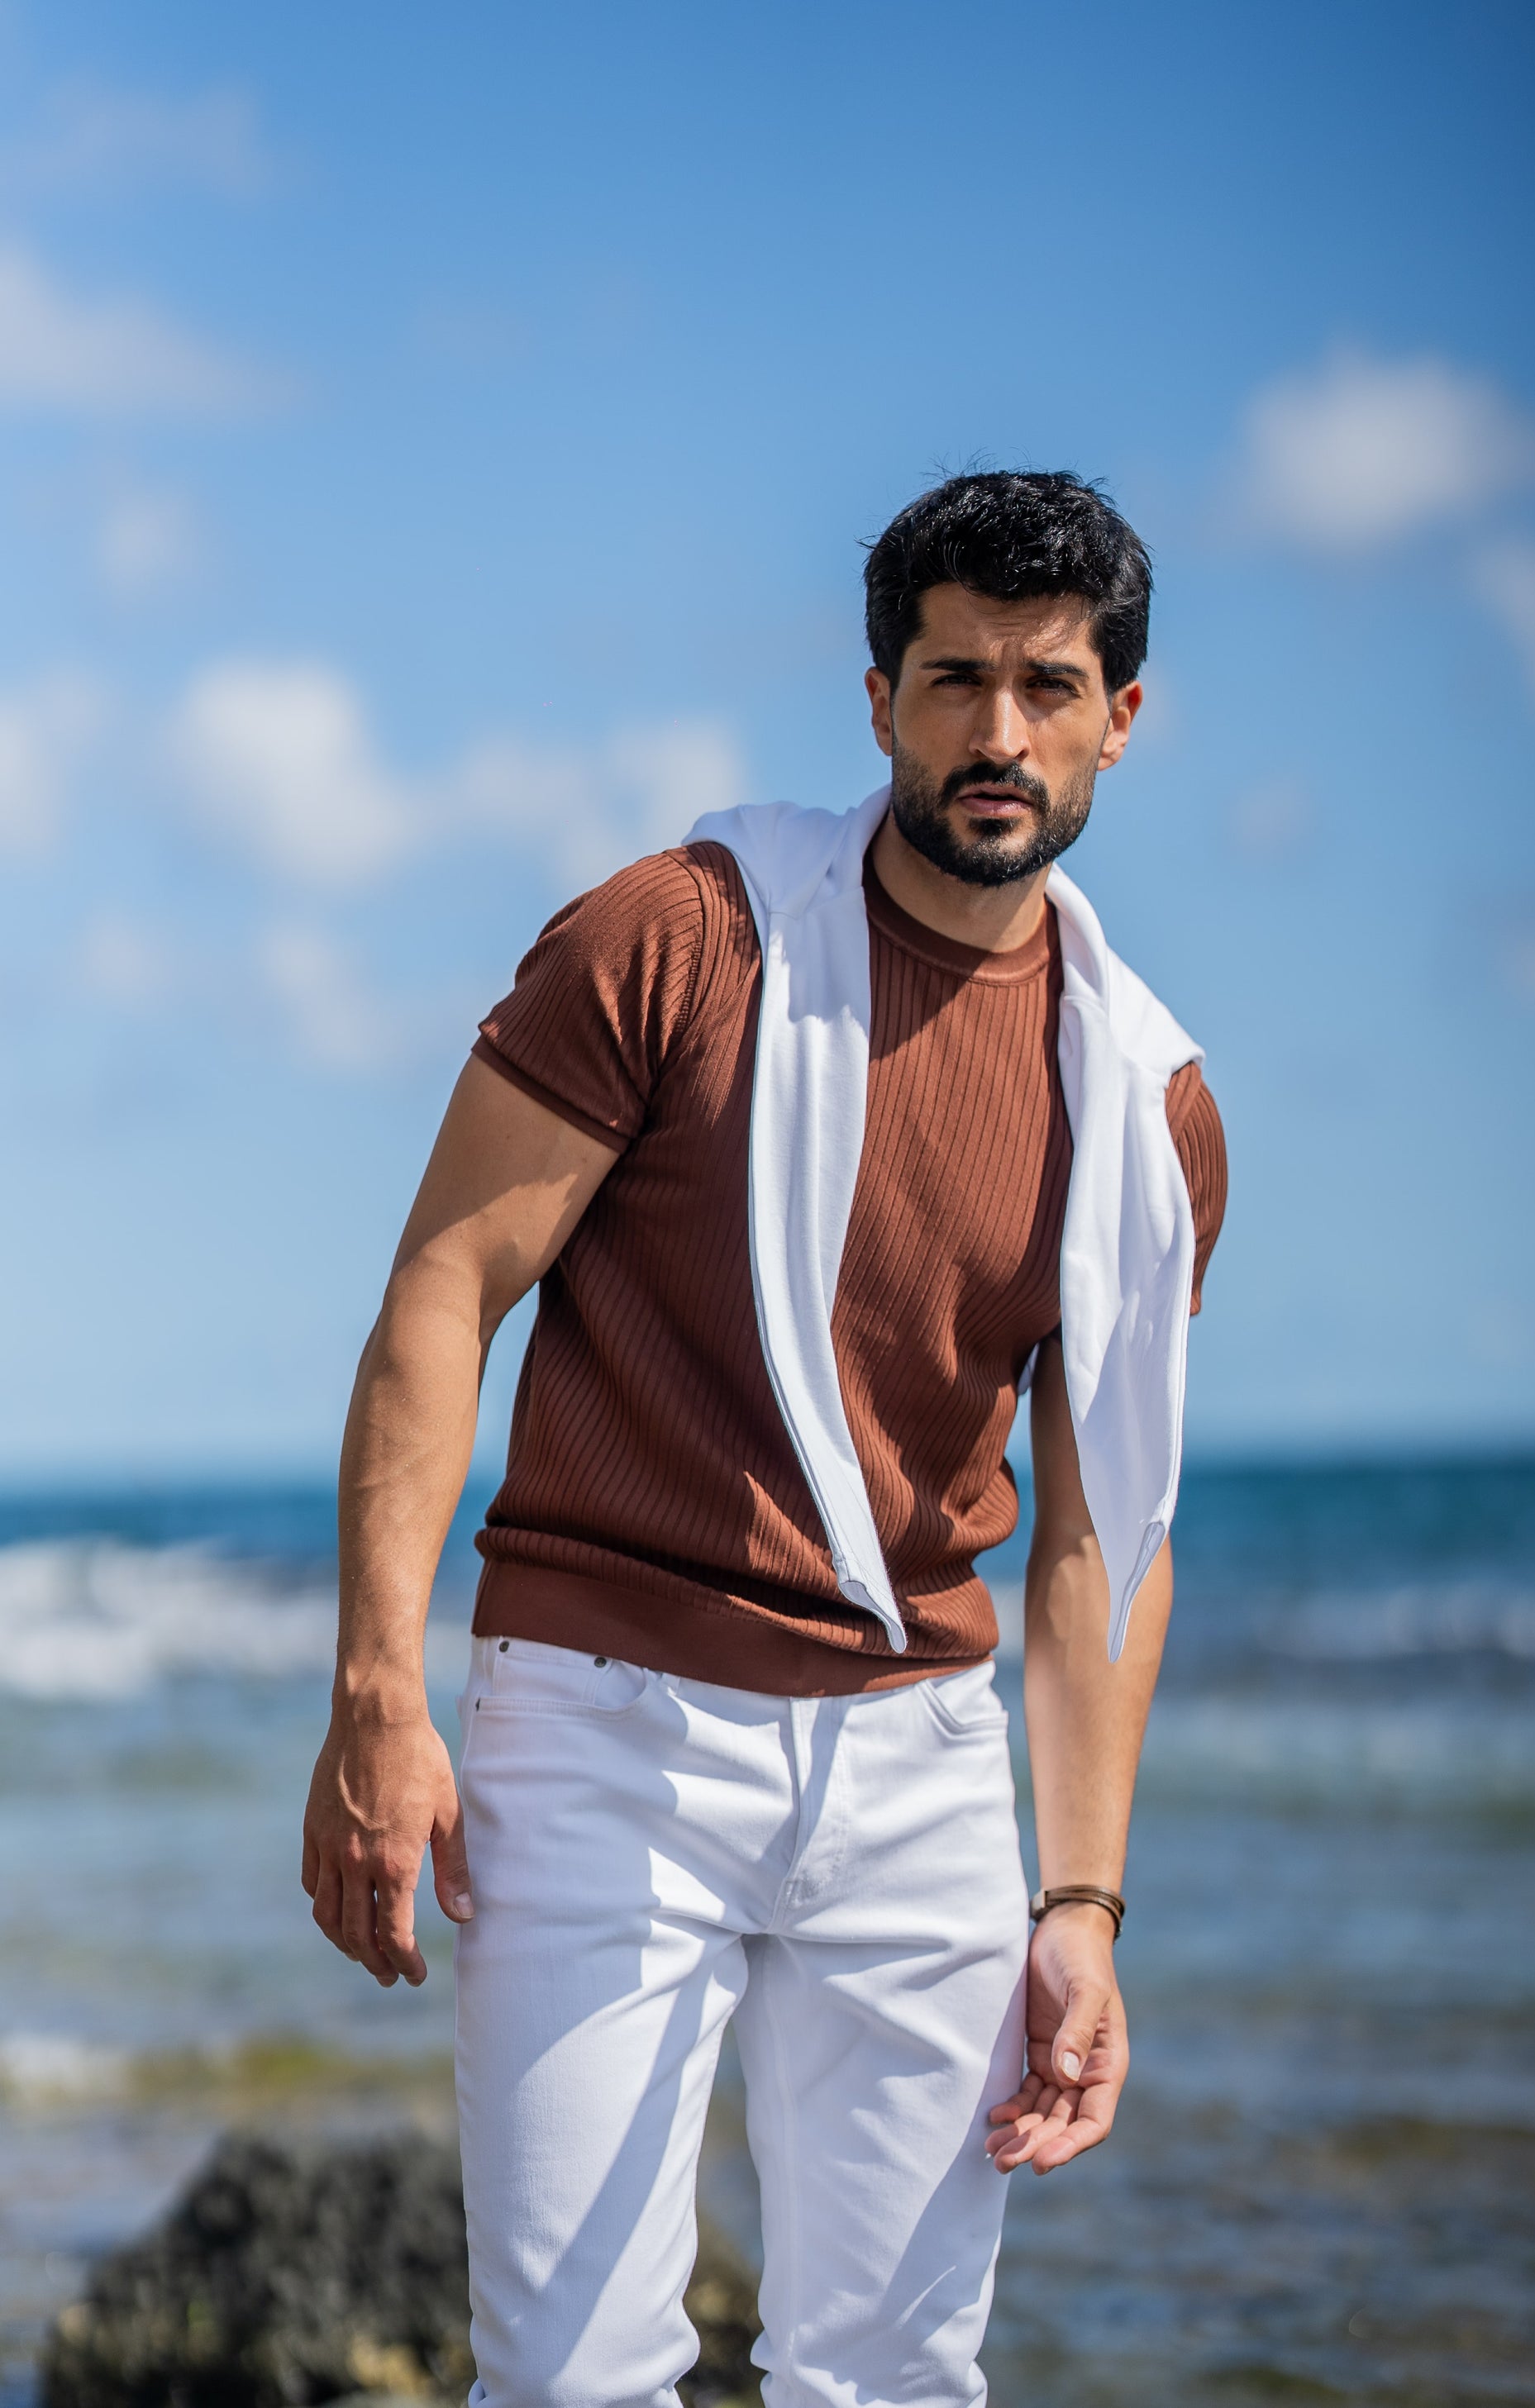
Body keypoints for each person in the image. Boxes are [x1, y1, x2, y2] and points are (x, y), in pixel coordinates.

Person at [302, 470, 1227, 2408]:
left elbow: (1093, 1542)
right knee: (570, 2378)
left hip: (917, 1770)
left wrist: (1079, 1903)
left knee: (892, 2376)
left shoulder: (1148, 1112)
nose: (998, 733)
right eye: (954, 677)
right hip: (605, 1722)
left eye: (1048, 686)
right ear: (878, 695)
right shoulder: (676, 938)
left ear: (1120, 716)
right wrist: (378, 1689)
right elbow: (441, 1293)